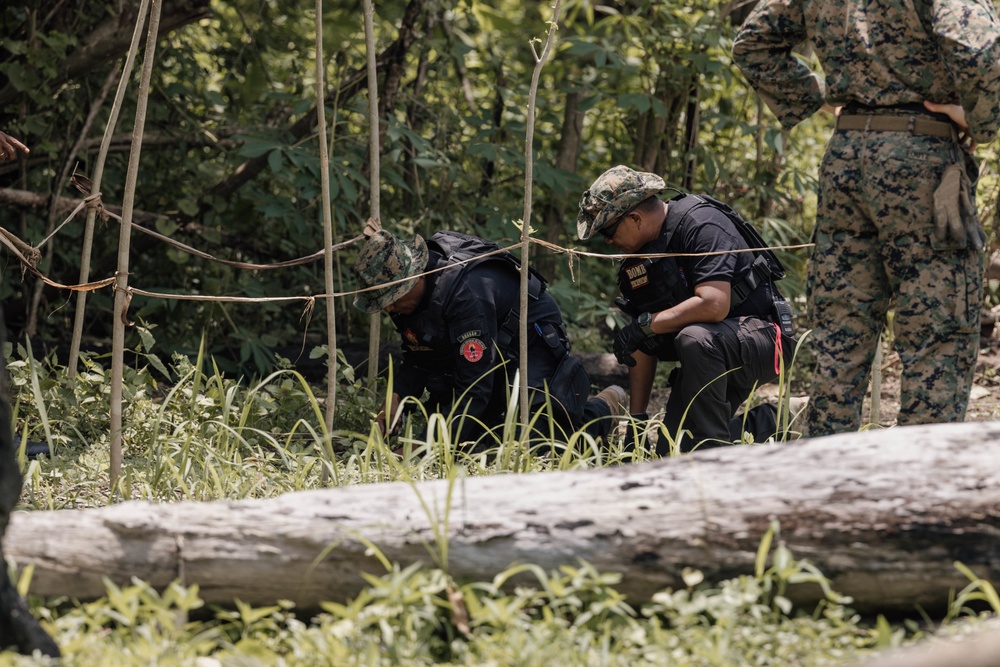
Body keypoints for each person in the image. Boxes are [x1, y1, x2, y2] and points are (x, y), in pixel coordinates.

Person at [733, 0, 1000, 437]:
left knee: (840, 336)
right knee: (938, 338)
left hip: (845, 160)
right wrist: (979, 119)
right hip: (923, 160)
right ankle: (921, 486)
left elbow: (753, 43)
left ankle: (828, 482)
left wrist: (823, 99)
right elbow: (979, 48)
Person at [576, 165, 797, 453]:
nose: (606, 241)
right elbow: (642, 340)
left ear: (634, 218)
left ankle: (714, 455)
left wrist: (647, 324)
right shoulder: (639, 263)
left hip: (764, 340)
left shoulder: (701, 222)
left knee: (693, 339)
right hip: (709, 351)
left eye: (607, 230)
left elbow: (714, 303)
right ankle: (781, 421)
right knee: (673, 450)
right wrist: (638, 421)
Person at [352, 228, 625, 450]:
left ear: (414, 278)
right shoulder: (403, 301)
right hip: (485, 352)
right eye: (382, 302)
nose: (388, 309)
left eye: (390, 299)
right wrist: (398, 395)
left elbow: (474, 389)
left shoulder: (465, 294)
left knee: (533, 447)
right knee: (473, 441)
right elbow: (419, 355)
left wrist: (424, 447)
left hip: (529, 342)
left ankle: (604, 408)